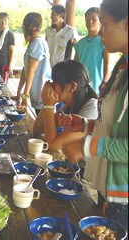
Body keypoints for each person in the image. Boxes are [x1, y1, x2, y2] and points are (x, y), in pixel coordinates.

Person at [59, 0, 128, 230]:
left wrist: (86, 146)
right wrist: (84, 125)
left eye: (105, 23)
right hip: (108, 188)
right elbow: (111, 125)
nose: (101, 31)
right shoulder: (123, 67)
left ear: (126, 24)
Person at [33, 60, 98, 151]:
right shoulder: (69, 105)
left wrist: (49, 106)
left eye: (55, 82)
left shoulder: (91, 110)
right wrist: (46, 104)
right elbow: (37, 130)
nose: (51, 85)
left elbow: (53, 145)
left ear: (72, 87)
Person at [16, 13, 51, 115]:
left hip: (42, 93)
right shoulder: (33, 42)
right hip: (37, 92)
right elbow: (25, 68)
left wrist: (25, 95)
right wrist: (19, 91)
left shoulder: (37, 43)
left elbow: (31, 71)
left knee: (43, 125)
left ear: (30, 28)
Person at [75, 7, 111, 94]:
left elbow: (107, 63)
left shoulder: (103, 41)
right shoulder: (79, 44)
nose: (90, 22)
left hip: (97, 86)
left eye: (93, 19)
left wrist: (104, 82)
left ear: (100, 21)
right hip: (81, 85)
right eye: (87, 19)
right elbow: (76, 64)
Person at [0, 12, 15, 84]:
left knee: (3, 83)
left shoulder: (10, 34)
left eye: (5, 19)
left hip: (4, 62)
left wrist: (10, 65)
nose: (3, 21)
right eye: (1, 19)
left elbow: (11, 51)